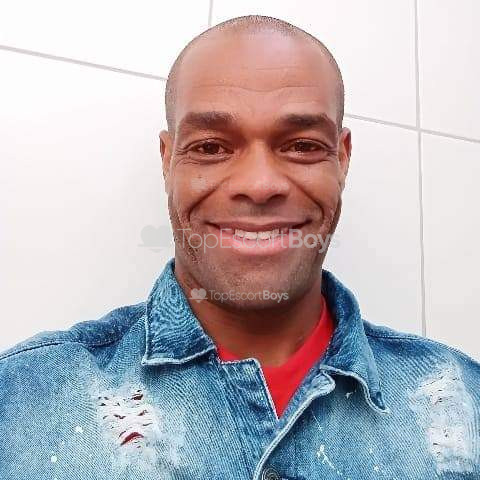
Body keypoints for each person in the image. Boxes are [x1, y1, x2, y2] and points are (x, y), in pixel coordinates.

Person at [1, 15, 479, 480]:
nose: (259, 184)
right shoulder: (22, 403)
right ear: (168, 161)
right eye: (211, 147)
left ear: (342, 158)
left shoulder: (466, 403)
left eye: (302, 145)